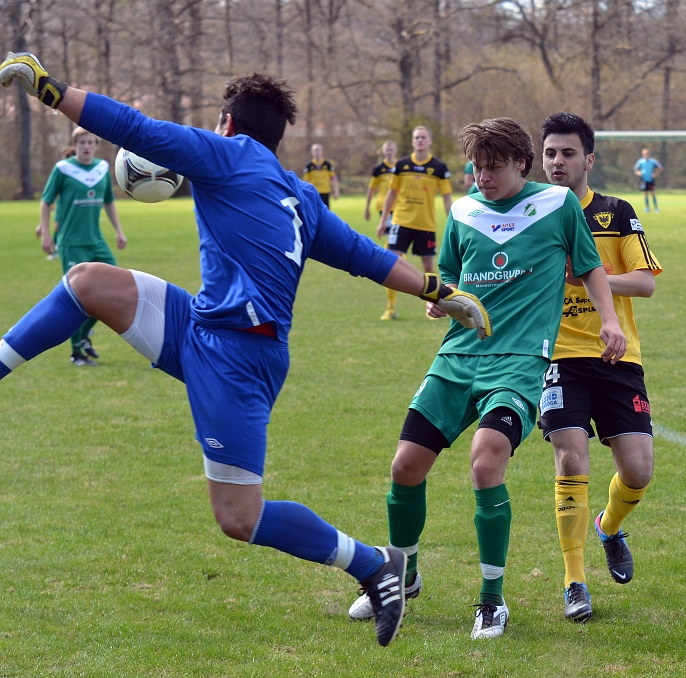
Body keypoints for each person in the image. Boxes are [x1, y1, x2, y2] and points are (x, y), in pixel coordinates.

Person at [0, 51, 492, 648]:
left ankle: (373, 564)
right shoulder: (301, 196)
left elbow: (134, 128)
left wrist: (48, 88)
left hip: (237, 360)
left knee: (240, 518)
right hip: (203, 326)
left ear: (228, 124)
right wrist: (439, 288)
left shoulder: (225, 155)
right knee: (87, 282)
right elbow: (365, 256)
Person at [348, 117, 626, 639]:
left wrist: (609, 320)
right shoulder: (462, 210)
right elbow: (451, 279)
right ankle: (403, 577)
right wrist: (443, 302)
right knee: (405, 466)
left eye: (493, 167)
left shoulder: (556, 205)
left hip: (519, 361)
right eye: (476, 167)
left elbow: (589, 267)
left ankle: (492, 600)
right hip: (457, 358)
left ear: (522, 163)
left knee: (485, 460)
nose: (482, 177)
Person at [540, 112, 663, 622]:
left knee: (637, 470)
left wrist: (591, 279)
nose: (557, 162)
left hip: (618, 356)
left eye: (567, 153)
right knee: (572, 459)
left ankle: (608, 528)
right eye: (549, 153)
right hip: (558, 357)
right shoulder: (531, 214)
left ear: (588, 159)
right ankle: (574, 582)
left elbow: (646, 281)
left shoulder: (615, 212)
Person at [37, 126, 128, 366]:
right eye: (82, 143)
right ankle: (76, 352)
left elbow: (108, 201)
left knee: (116, 287)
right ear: (75, 145)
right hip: (71, 243)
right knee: (77, 298)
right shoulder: (63, 170)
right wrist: (46, 234)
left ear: (96, 145)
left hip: (96, 242)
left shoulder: (102, 168)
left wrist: (119, 231)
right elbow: (46, 203)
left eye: (91, 142)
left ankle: (85, 334)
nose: (86, 146)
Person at [376, 126, 453, 321]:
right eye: (416, 137)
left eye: (423, 137)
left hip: (425, 225)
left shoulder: (439, 168)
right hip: (400, 221)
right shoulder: (401, 165)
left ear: (429, 141)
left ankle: (434, 306)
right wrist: (383, 219)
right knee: (391, 262)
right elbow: (391, 193)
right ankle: (391, 307)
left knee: (428, 266)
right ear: (412, 141)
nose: (419, 140)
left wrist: (454, 221)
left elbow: (446, 197)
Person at [363, 140, 397, 225]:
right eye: (387, 150)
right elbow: (371, 189)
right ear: (383, 151)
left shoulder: (401, 166)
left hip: (399, 206)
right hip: (384, 205)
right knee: (390, 234)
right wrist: (367, 208)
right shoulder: (378, 169)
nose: (389, 152)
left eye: (391, 150)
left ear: (395, 151)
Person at [302, 143, 339, 209]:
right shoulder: (309, 166)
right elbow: (305, 181)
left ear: (322, 151)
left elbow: (333, 178)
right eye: (315, 150)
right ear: (312, 152)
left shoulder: (327, 165)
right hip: (314, 193)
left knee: (326, 213)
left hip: (325, 192)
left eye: (318, 150)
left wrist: (336, 191)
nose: (317, 152)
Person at [633, 149, 662, 213]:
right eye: (645, 154)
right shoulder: (640, 161)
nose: (646, 155)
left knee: (653, 193)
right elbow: (635, 168)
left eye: (647, 153)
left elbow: (660, 167)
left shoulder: (653, 161)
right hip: (643, 180)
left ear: (649, 154)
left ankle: (656, 208)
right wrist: (638, 173)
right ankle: (647, 208)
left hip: (650, 180)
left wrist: (655, 174)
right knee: (645, 194)